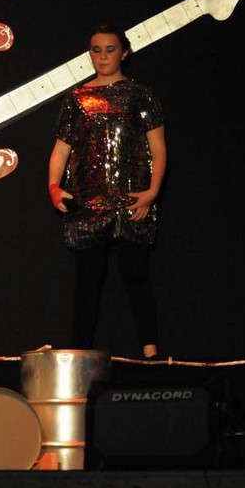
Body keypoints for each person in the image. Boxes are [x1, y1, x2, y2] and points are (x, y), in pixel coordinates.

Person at [48, 25, 166, 359]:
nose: (102, 57)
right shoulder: (76, 99)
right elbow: (61, 150)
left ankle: (150, 351)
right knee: (87, 280)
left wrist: (152, 192)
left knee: (135, 273)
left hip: (132, 199)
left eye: (110, 49)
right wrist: (54, 187)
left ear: (124, 53)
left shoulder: (140, 94)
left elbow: (158, 148)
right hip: (88, 201)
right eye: (96, 50)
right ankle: (79, 353)